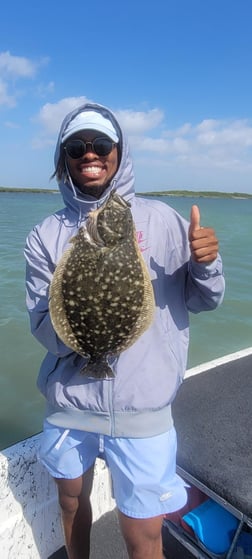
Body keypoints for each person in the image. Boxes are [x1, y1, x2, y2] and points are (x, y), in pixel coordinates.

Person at [24, 102, 225, 559]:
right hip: (69, 402)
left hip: (142, 407)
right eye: (76, 146)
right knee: (71, 501)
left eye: (101, 144)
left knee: (142, 532)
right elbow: (42, 321)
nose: (89, 153)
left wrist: (206, 265)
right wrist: (82, 330)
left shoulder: (163, 221)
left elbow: (203, 299)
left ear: (119, 152)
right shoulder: (45, 234)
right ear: (64, 158)